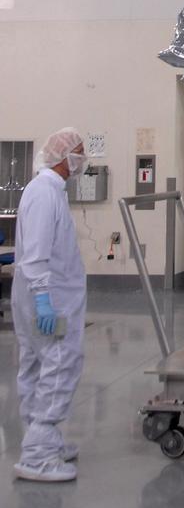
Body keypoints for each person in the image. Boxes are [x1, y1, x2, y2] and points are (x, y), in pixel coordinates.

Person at [11, 127, 88, 482]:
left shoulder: (49, 190)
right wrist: (43, 300)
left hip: (40, 295)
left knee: (35, 365)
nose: (83, 158)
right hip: (49, 300)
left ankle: (41, 438)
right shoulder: (44, 193)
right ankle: (39, 455)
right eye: (80, 151)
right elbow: (38, 253)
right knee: (57, 366)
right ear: (64, 156)